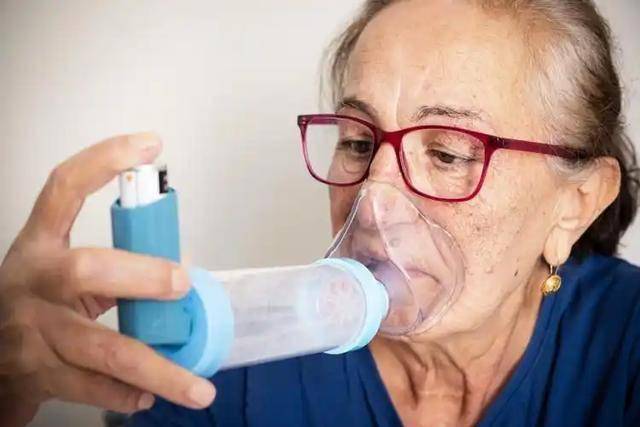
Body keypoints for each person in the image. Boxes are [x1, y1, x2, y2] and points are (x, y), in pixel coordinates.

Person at [1, 0, 639, 426]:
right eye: (358, 142)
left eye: (447, 152)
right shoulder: (227, 372)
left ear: (575, 203)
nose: (373, 197)